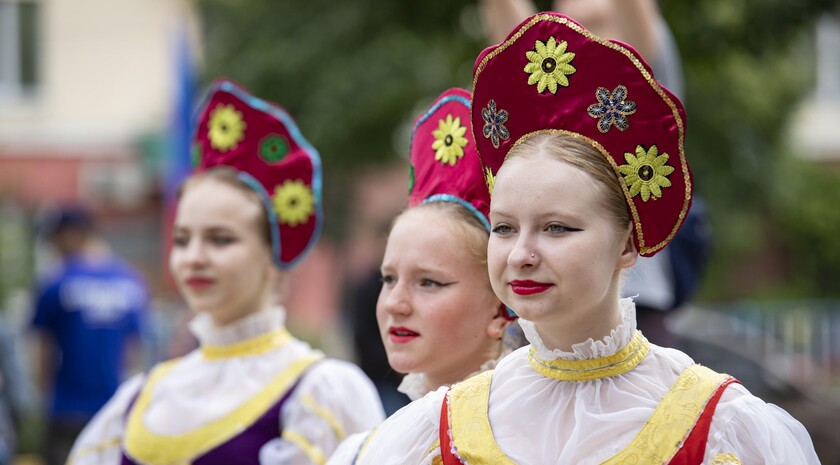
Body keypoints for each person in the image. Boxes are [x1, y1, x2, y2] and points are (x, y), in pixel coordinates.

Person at [339, 13, 819, 464]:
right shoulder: (438, 430)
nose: (522, 254)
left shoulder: (715, 424)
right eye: (504, 227)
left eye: (557, 228)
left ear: (628, 245)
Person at [66, 79, 384, 465]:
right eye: (183, 240)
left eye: (220, 240)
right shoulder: (141, 397)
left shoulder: (320, 391)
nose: (194, 258)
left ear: (273, 252)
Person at [477, 0, 703, 349]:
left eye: (595, 21)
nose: (578, 33)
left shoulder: (641, 87)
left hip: (637, 305)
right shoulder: (542, 98)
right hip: (538, 318)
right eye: (504, 228)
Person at [327, 88, 519, 464]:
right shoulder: (363, 451)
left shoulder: (536, 438)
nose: (395, 303)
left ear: (500, 305)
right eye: (388, 279)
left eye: (429, 282)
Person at [30, 206, 149, 465]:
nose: (54, 248)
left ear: (72, 235)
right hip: (114, 408)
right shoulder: (130, 281)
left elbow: (42, 351)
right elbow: (134, 352)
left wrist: (43, 400)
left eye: (55, 240)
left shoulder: (56, 282)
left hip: (66, 409)